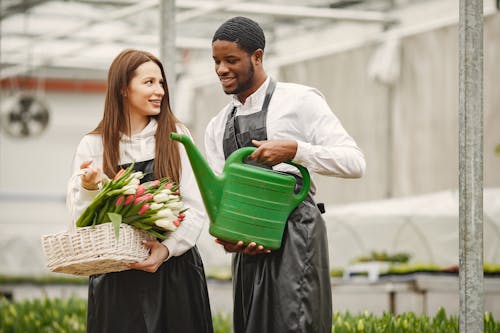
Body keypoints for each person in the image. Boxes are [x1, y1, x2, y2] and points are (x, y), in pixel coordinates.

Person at [204, 17, 366, 333]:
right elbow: (219, 196)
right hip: (249, 243)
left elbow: (355, 162)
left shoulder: (299, 101)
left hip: (296, 237)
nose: (221, 69)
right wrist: (228, 238)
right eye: (216, 61)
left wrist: (295, 151)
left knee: (297, 323)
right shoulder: (217, 125)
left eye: (231, 60)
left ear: (258, 56)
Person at [67, 49, 213, 333]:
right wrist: (87, 187)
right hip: (116, 281)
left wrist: (166, 249)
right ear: (123, 88)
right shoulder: (93, 145)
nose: (159, 90)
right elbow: (79, 223)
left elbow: (195, 207)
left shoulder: (177, 136)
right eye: (149, 83)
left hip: (175, 275)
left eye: (161, 83)